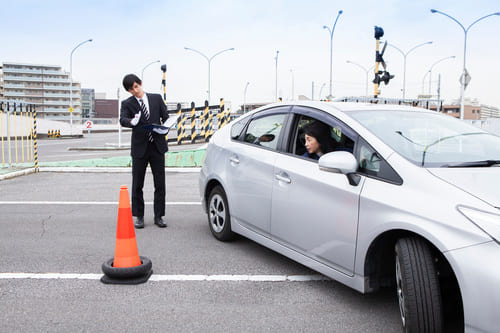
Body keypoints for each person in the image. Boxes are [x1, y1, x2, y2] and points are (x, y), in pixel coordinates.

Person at [120, 74, 169, 229]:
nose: (135, 91)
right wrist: (131, 122)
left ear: (140, 83)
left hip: (157, 146)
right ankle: (139, 216)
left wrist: (164, 129)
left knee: (160, 184)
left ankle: (159, 216)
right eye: (131, 89)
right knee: (137, 184)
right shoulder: (127, 103)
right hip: (140, 148)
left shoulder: (156, 98)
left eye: (136, 86)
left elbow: (166, 118)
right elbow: (123, 119)